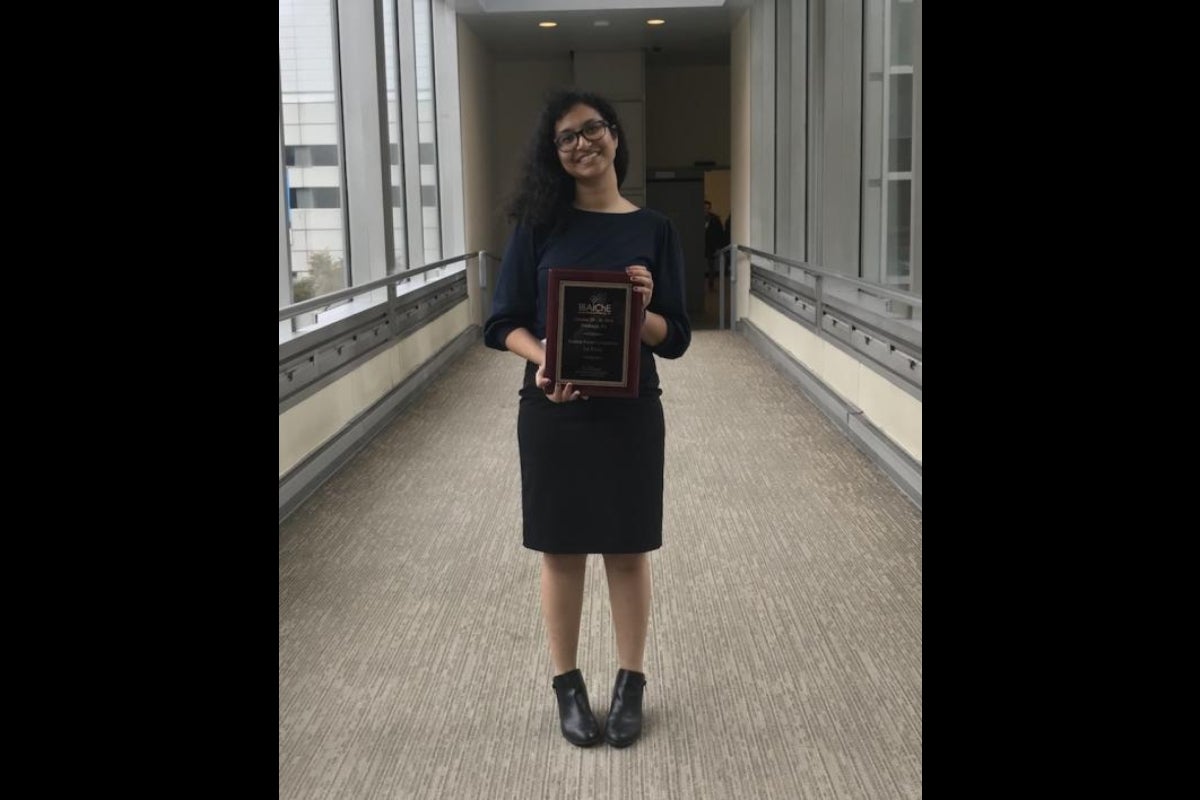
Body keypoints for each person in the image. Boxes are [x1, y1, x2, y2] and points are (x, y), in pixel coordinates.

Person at [484, 89, 691, 749]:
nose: (582, 143)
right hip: (552, 408)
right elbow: (500, 322)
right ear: (555, 155)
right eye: (566, 137)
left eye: (591, 129)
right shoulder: (538, 228)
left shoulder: (653, 229)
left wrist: (645, 305)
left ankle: (631, 682)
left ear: (614, 134)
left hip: (631, 411)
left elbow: (675, 335)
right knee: (563, 549)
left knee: (628, 550)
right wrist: (545, 361)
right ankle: (567, 685)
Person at [704, 200, 725, 289]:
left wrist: (718, 246)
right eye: (705, 208)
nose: (706, 210)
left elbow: (719, 233)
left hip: (710, 245)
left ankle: (710, 285)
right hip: (701, 244)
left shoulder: (715, 219)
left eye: (708, 208)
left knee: (711, 266)